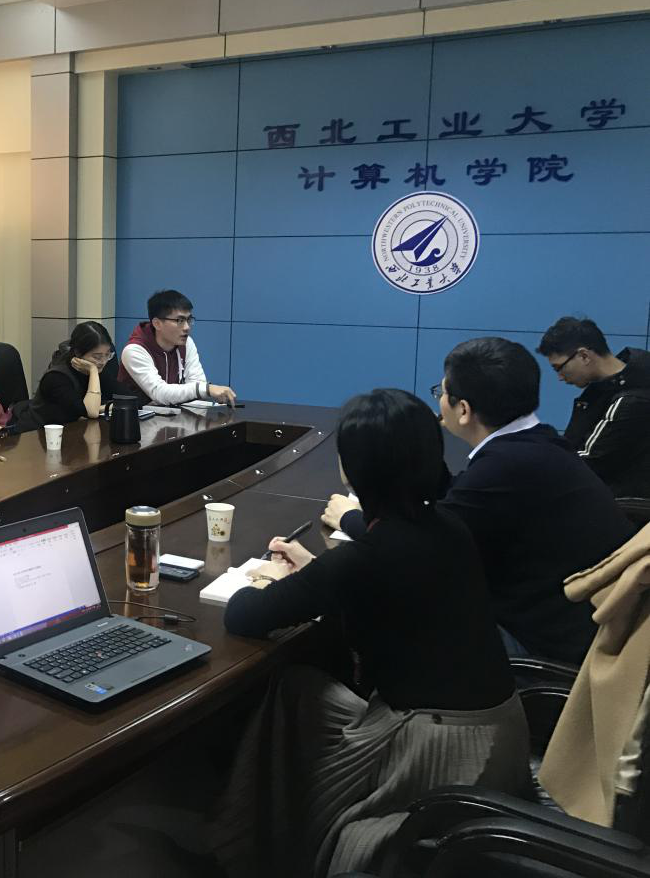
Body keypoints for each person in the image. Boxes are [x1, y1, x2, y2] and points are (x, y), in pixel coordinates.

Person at [214, 388, 528, 877]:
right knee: (297, 688)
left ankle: (253, 846)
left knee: (290, 691)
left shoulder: (362, 560)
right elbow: (391, 570)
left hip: (442, 755)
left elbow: (243, 615)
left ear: (355, 469)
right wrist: (318, 572)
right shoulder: (450, 527)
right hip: (503, 733)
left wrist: (278, 579)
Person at [323, 337, 635, 665]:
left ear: (463, 410)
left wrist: (350, 518)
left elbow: (415, 550)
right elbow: (463, 500)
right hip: (593, 625)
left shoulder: (504, 468)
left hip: (547, 644)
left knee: (389, 604)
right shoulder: (539, 443)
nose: (438, 401)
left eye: (441, 393)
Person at [537, 316, 650, 498]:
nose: (560, 377)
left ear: (584, 356)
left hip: (624, 505)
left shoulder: (632, 399)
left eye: (559, 368)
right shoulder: (605, 388)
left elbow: (588, 463)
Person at [117, 290, 235, 406]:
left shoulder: (186, 343)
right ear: (157, 323)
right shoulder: (134, 350)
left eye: (189, 320)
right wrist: (207, 389)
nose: (187, 327)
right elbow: (159, 393)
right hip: (135, 416)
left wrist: (203, 389)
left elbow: (197, 382)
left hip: (172, 414)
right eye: (179, 320)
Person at [19, 321, 119, 427]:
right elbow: (91, 411)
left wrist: (105, 407)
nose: (103, 361)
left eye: (107, 355)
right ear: (78, 353)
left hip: (73, 430)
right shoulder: (56, 377)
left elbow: (127, 397)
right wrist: (93, 371)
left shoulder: (99, 369)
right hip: (37, 433)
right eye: (97, 357)